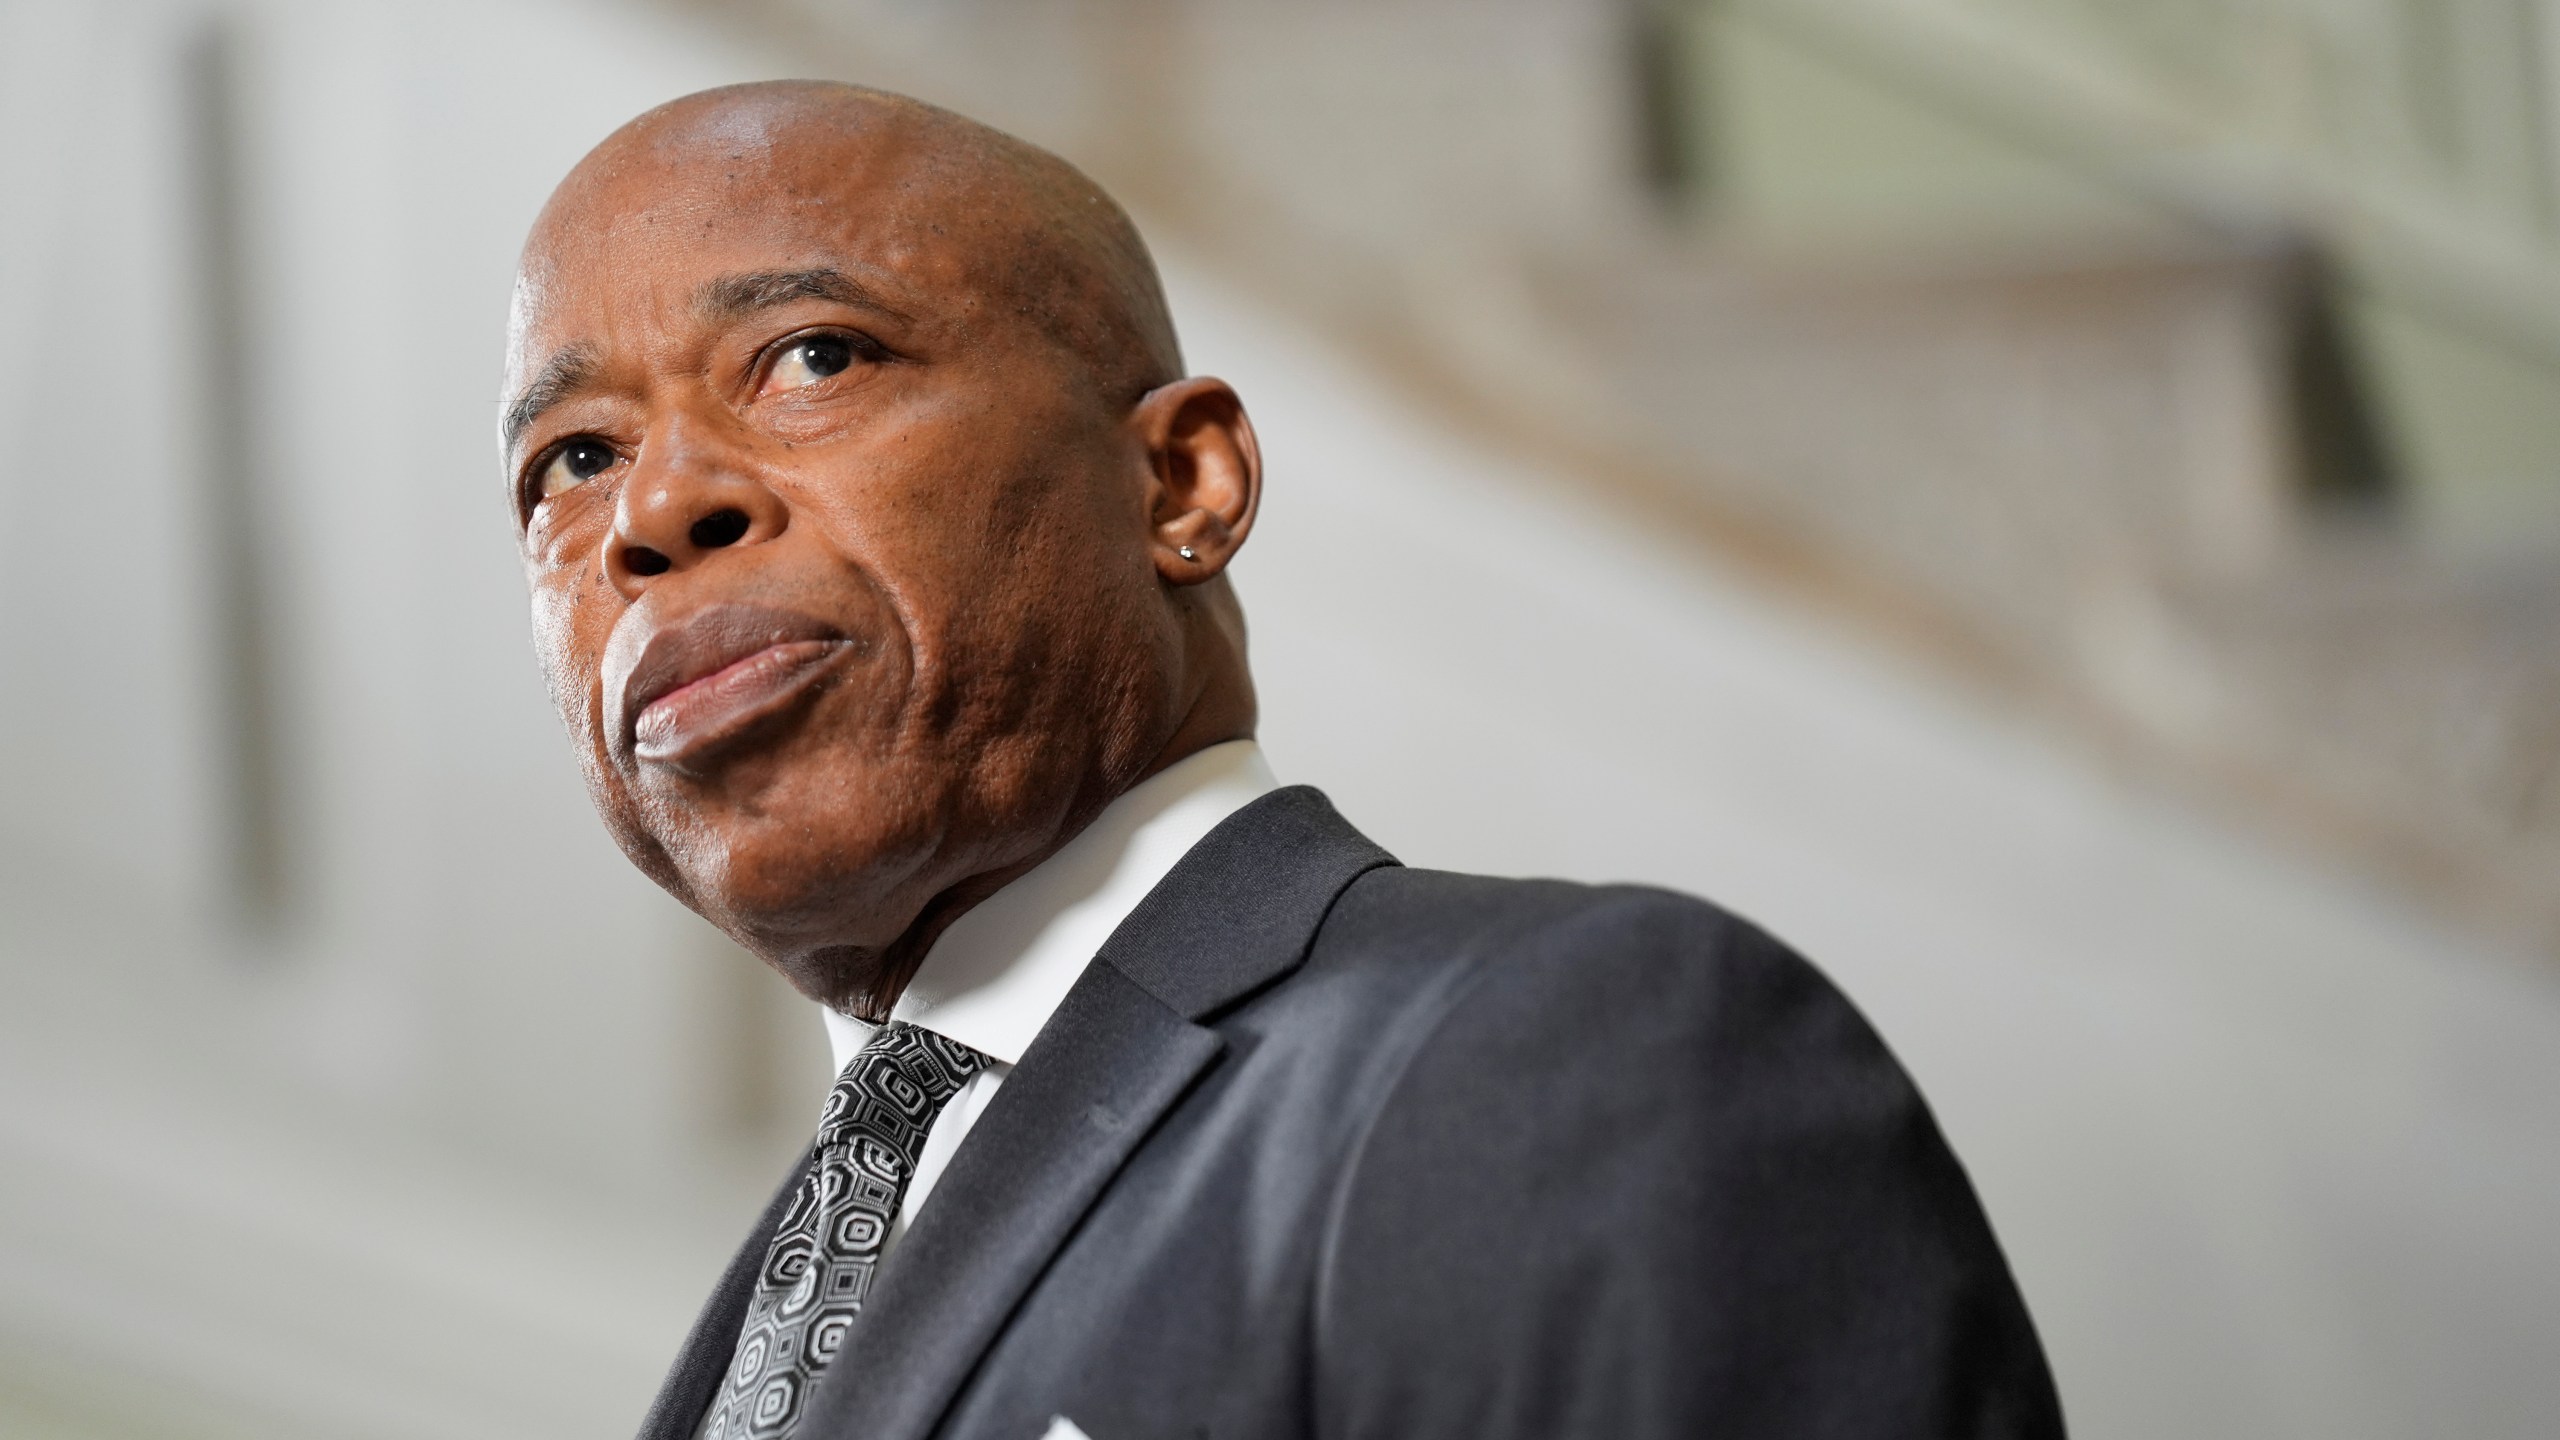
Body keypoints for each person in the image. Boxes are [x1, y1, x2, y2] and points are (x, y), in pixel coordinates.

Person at [500, 80, 2065, 1440]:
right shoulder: (801, 1288)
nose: (652, 514)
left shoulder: (1564, 1051)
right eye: (574, 460)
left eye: (814, 358)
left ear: (1182, 482)